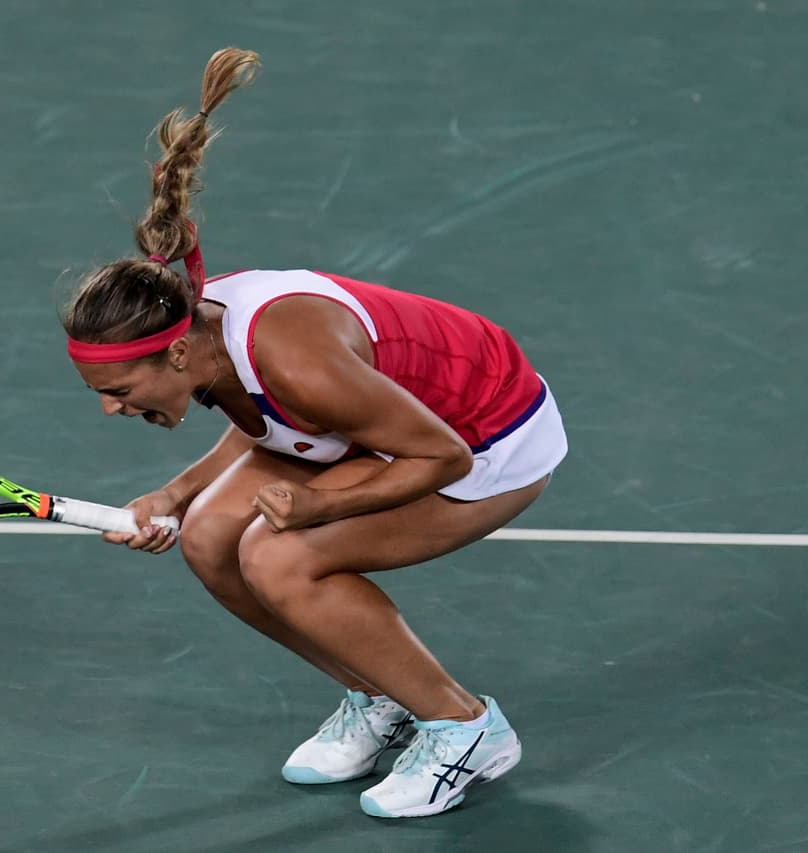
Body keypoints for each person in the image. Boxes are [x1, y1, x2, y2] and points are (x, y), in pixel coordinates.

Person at [61, 47, 567, 820]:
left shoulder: (292, 356)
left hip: (489, 434)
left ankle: (466, 728)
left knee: (279, 554)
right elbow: (277, 424)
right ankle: (380, 695)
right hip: (392, 425)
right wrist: (176, 492)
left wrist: (322, 510)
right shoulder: (206, 335)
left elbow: (443, 454)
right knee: (206, 537)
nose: (110, 408)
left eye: (119, 391)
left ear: (173, 351)